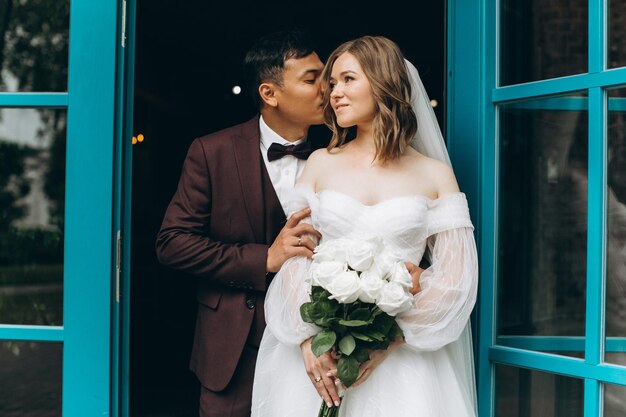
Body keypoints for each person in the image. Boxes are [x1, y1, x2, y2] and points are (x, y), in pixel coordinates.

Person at [251, 36, 479, 417]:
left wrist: (386, 341)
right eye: (331, 83)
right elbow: (295, 259)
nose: (333, 93)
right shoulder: (321, 163)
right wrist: (310, 341)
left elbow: (457, 281)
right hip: (319, 359)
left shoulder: (436, 175)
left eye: (347, 80)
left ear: (383, 81)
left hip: (404, 363)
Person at [155, 29, 328, 417]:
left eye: (327, 76)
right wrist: (263, 258)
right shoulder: (211, 151)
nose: (327, 88)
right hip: (234, 349)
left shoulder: (343, 151)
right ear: (270, 94)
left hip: (323, 345)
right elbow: (172, 242)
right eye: (311, 78)